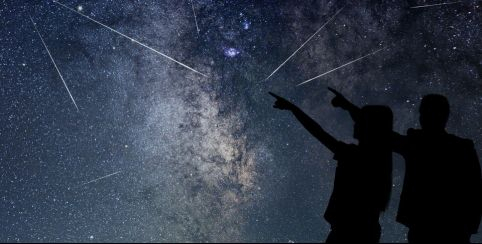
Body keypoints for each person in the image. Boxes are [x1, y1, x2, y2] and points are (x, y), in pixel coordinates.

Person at [329, 88, 482, 243]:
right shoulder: (459, 147)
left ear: (440, 115)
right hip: (440, 229)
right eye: (423, 113)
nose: (423, 118)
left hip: (436, 228)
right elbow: (380, 131)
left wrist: (348, 106)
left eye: (425, 113)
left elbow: (379, 131)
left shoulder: (422, 145)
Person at [269, 92, 393, 243]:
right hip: (363, 230)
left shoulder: (353, 155)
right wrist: (347, 106)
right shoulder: (380, 157)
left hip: (347, 232)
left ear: (369, 127)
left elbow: (318, 132)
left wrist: (293, 108)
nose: (354, 123)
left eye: (359, 121)